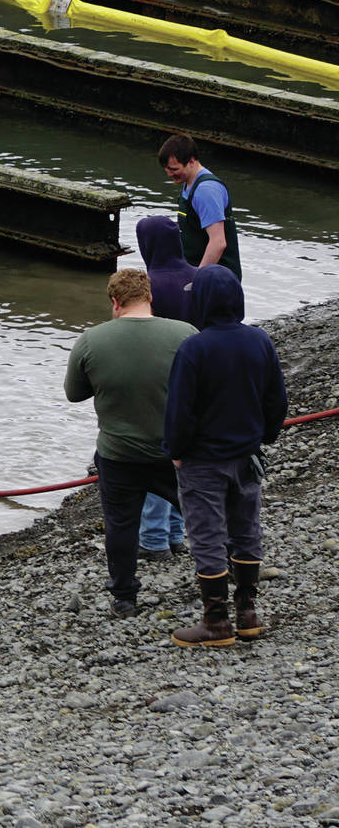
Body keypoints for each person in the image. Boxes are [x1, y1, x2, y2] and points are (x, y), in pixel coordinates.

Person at [163, 267, 286, 647]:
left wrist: (176, 452)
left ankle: (215, 622)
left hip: (203, 460)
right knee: (246, 529)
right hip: (247, 456)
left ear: (201, 302)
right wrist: (264, 436)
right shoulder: (259, 341)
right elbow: (276, 401)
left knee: (207, 535)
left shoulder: (194, 347)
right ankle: (247, 614)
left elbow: (179, 410)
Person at [63, 268, 194, 617]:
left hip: (118, 454)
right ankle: (228, 575)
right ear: (150, 298)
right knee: (200, 512)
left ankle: (124, 597)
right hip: (174, 451)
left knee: (121, 524)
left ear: (115, 302)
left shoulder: (91, 340)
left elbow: (74, 394)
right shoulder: (185, 334)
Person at [134, 214, 201, 556]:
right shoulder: (198, 277)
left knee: (156, 458)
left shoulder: (148, 286)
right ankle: (175, 535)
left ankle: (154, 539)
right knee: (182, 456)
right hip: (198, 380)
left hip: (161, 380)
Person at [158, 134, 240, 277]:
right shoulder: (188, 182)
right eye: (166, 169)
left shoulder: (206, 190)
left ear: (191, 161)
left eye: (174, 169)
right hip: (195, 268)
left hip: (216, 279)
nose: (169, 174)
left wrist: (197, 279)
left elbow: (218, 242)